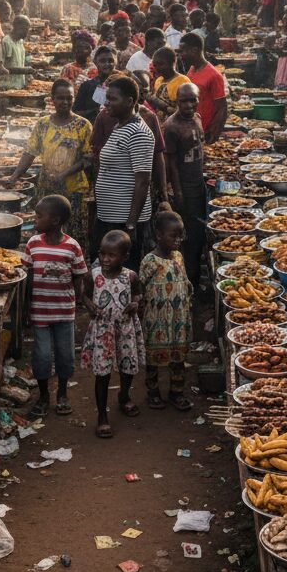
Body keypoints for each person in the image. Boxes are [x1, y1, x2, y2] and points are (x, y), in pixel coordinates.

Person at [22, 194, 88, 419]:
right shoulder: (33, 244)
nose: (35, 219)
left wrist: (77, 301)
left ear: (55, 221)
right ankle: (43, 396)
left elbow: (79, 277)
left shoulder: (72, 246)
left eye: (39, 216)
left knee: (65, 356)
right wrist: (26, 310)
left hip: (64, 312)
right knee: (41, 356)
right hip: (39, 312)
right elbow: (28, 277)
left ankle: (62, 393)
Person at [7, 79, 91, 249]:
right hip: (47, 188)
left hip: (73, 190)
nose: (65, 102)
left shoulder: (83, 126)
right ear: (52, 99)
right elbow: (30, 152)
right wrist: (14, 176)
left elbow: (87, 159)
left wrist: (63, 174)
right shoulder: (43, 124)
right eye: (60, 98)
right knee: (47, 234)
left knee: (72, 234)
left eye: (69, 98)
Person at [82, 229, 144, 438]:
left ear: (125, 256)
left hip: (125, 328)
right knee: (103, 373)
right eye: (102, 254)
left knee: (128, 366)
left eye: (111, 255)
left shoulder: (130, 276)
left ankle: (124, 396)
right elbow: (84, 295)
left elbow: (138, 294)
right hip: (102, 331)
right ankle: (102, 416)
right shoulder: (93, 276)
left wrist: (135, 303)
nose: (105, 259)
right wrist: (89, 305)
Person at [93, 76, 155, 271]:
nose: (107, 103)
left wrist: (131, 225)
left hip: (124, 221)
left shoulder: (139, 133)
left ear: (129, 101)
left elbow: (143, 181)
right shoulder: (120, 126)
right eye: (107, 98)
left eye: (113, 99)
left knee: (124, 272)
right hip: (111, 216)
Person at [140, 210, 193, 411]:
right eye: (174, 236)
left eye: (181, 235)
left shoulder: (178, 256)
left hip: (178, 318)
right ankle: (153, 392)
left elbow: (185, 281)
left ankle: (176, 392)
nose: (178, 240)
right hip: (156, 319)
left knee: (178, 357)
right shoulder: (149, 261)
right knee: (153, 358)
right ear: (159, 235)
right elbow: (141, 287)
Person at [163, 83, 207, 286]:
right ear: (176, 102)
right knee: (188, 236)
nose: (189, 105)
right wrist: (178, 192)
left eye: (193, 100)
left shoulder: (197, 118)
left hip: (199, 183)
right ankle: (188, 279)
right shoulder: (172, 127)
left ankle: (195, 274)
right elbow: (171, 163)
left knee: (198, 232)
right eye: (183, 101)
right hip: (185, 188)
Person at [178, 33, 227, 140]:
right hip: (191, 131)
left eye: (183, 51)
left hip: (204, 132)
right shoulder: (191, 70)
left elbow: (222, 108)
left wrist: (213, 134)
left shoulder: (214, 75)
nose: (181, 55)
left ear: (194, 50)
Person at [73, 46, 117, 123]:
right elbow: (76, 113)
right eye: (102, 61)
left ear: (116, 62)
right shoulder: (87, 86)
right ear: (95, 62)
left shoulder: (121, 85)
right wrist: (94, 111)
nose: (107, 64)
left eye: (111, 61)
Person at [148, 47, 192, 120]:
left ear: (173, 62)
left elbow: (186, 111)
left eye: (161, 64)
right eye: (155, 65)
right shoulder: (158, 81)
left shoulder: (183, 81)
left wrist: (163, 105)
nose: (157, 68)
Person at [0, 15, 32, 90]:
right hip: (7, 86)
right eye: (25, 29)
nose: (27, 32)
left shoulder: (20, 42)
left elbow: (20, 62)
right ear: (17, 27)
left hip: (19, 85)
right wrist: (24, 70)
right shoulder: (5, 42)